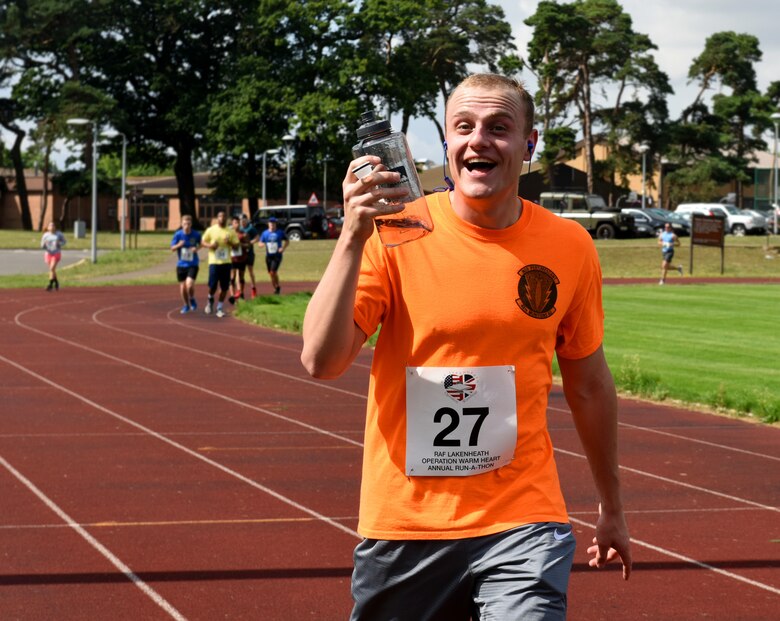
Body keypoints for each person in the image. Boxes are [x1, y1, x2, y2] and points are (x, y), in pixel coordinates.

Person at [301, 73, 631, 620]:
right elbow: (321, 360)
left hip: (522, 520)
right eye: (464, 127)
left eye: (500, 128)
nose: (479, 140)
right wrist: (353, 234)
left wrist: (612, 506)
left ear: (529, 145)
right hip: (405, 525)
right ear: (448, 144)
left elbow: (590, 385)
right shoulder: (396, 232)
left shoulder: (571, 246)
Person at [201, 210, 239, 318]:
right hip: (214, 262)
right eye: (220, 216)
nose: (222, 218)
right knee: (212, 286)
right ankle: (210, 299)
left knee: (224, 287)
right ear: (217, 218)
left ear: (226, 218)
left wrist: (229, 243)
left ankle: (219, 308)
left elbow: (236, 245)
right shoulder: (211, 230)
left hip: (226, 262)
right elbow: (202, 241)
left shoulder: (230, 231)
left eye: (224, 217)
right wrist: (210, 245)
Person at [170, 214, 202, 313]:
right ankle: (186, 305)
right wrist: (179, 244)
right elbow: (172, 248)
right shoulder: (178, 234)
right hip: (181, 265)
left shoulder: (196, 234)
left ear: (191, 224)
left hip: (193, 264)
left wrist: (196, 249)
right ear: (181, 224)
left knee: (189, 284)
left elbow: (202, 244)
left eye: (188, 223)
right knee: (183, 286)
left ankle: (192, 298)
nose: (186, 226)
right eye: (184, 224)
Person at [259, 217, 289, 295]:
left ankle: (277, 287)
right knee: (271, 273)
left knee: (273, 271)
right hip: (268, 256)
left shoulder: (280, 232)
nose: (272, 224)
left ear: (276, 224)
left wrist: (283, 248)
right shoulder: (265, 233)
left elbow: (287, 241)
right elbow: (260, 242)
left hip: (277, 255)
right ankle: (276, 287)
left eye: (274, 223)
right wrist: (261, 244)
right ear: (268, 224)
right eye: (271, 223)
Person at [229, 215, 250, 303]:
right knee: (232, 277)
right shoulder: (229, 234)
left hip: (242, 258)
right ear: (232, 224)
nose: (236, 224)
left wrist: (241, 245)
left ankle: (241, 293)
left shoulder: (244, 234)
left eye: (238, 223)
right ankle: (232, 295)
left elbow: (248, 245)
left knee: (241, 277)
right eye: (235, 223)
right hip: (232, 258)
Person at [239, 213, 261, 298]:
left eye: (244, 220)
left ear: (246, 220)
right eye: (241, 221)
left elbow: (257, 237)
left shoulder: (250, 228)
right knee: (241, 273)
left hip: (249, 253)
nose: (242, 222)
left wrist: (250, 242)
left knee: (250, 271)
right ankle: (241, 291)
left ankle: (253, 288)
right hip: (240, 254)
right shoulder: (239, 229)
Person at [40, 221, 66, 291]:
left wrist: (59, 244)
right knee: (52, 270)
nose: (52, 227)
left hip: (56, 253)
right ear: (48, 228)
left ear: (55, 227)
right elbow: (41, 245)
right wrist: (44, 245)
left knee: (51, 268)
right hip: (48, 254)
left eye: (53, 225)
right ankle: (56, 283)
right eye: (50, 226)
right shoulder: (45, 235)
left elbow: (64, 242)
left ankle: (50, 285)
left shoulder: (59, 234)